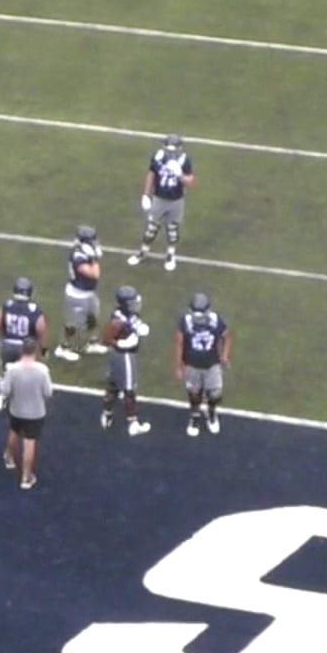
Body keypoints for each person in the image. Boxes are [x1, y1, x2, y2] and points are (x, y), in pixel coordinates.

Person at [129, 134, 195, 272]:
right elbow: (151, 174)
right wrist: (146, 194)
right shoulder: (158, 157)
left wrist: (180, 175)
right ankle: (143, 252)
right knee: (151, 229)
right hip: (159, 198)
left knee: (172, 230)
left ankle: (170, 255)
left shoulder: (184, 160)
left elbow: (190, 182)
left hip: (176, 200)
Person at [0, 338, 53, 489]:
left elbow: (5, 390)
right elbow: (48, 393)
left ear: (22, 351)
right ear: (35, 351)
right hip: (36, 413)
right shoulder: (42, 370)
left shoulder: (12, 369)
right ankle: (26, 477)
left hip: (16, 409)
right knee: (29, 442)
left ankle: (9, 457)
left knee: (14, 432)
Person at [176, 291, 233, 437]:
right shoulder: (185, 322)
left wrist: (225, 356)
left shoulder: (216, 320)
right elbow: (180, 344)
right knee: (194, 394)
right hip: (192, 364)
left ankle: (211, 412)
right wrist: (179, 366)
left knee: (215, 394)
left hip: (212, 363)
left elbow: (227, 337)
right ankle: (194, 415)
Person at [101, 285, 152, 437]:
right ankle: (133, 423)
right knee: (129, 390)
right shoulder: (118, 321)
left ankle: (107, 414)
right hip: (124, 356)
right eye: (132, 302)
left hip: (120, 355)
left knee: (113, 386)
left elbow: (137, 326)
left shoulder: (128, 315)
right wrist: (121, 344)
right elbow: (107, 339)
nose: (136, 304)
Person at [56, 226, 107, 361]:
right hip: (77, 295)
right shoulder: (78, 256)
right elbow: (94, 274)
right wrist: (94, 258)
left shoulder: (85, 252)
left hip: (89, 293)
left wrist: (93, 256)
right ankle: (63, 348)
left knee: (92, 319)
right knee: (73, 324)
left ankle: (92, 343)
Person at [0, 276, 48, 373]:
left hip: (7, 345)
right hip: (26, 347)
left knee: (7, 372)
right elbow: (41, 330)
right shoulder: (34, 309)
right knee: (25, 373)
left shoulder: (7, 305)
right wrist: (44, 350)